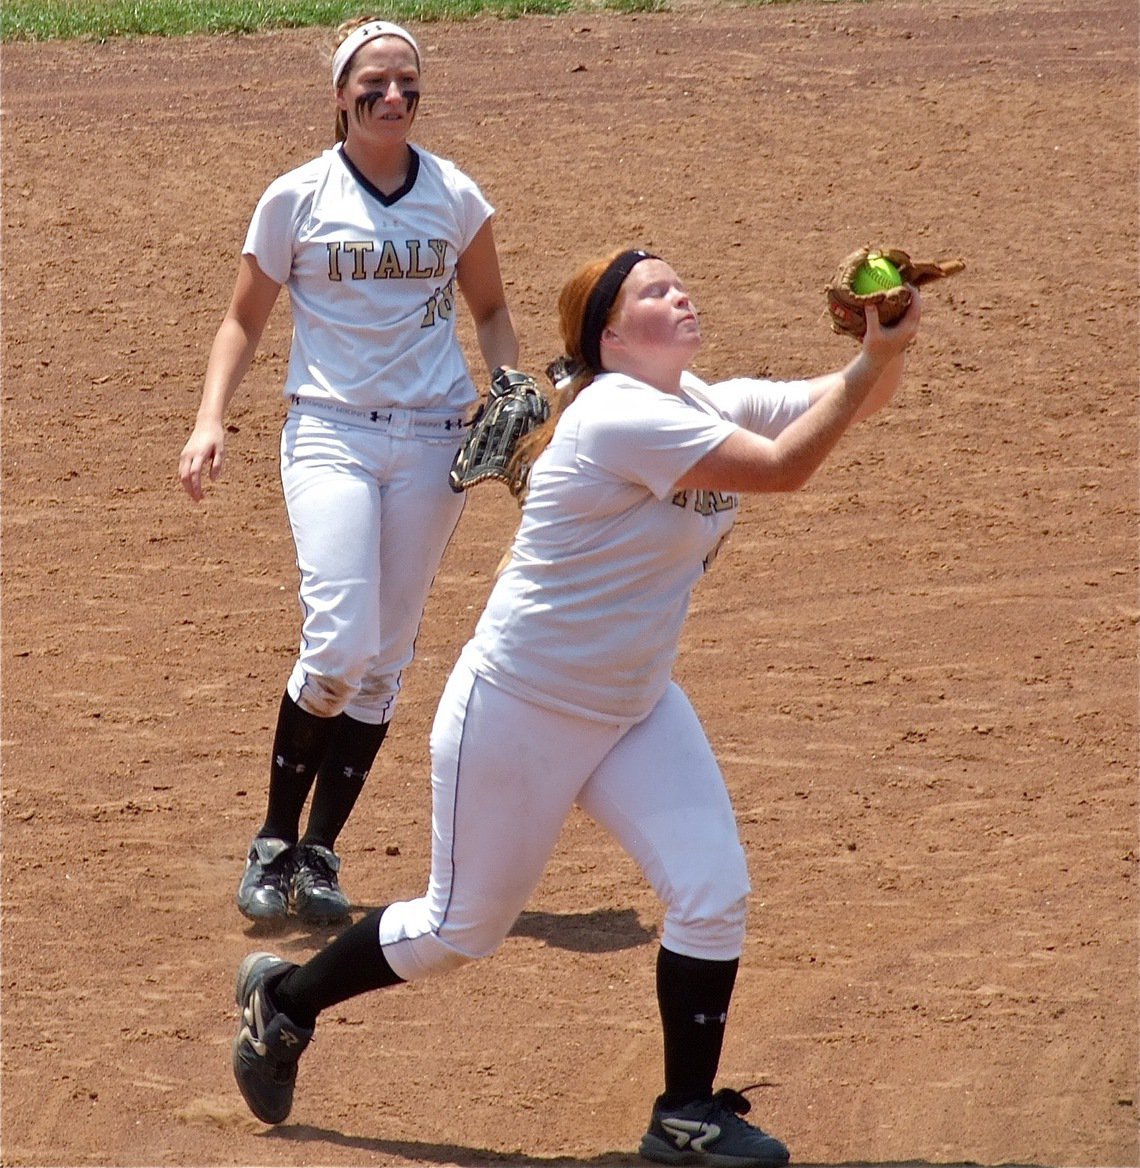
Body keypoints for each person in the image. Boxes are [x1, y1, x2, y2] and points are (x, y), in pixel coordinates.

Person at [229, 248, 921, 1165]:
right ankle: (284, 1003)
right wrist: (872, 363)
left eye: (681, 280)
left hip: (634, 705)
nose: (681, 292)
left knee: (711, 892)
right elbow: (787, 467)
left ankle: (687, 1114)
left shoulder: (700, 402)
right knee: (457, 931)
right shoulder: (616, 416)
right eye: (653, 290)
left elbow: (841, 404)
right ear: (608, 335)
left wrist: (886, 348)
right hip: (522, 708)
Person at [178, 17, 519, 925]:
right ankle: (272, 843)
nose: (394, 95)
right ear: (340, 95)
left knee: (384, 664)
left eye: (408, 81)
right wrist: (211, 419)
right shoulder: (296, 197)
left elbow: (488, 308)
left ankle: (320, 856)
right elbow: (243, 319)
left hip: (435, 436)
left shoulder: (453, 194)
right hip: (329, 431)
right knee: (339, 642)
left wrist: (510, 387)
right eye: (374, 82)